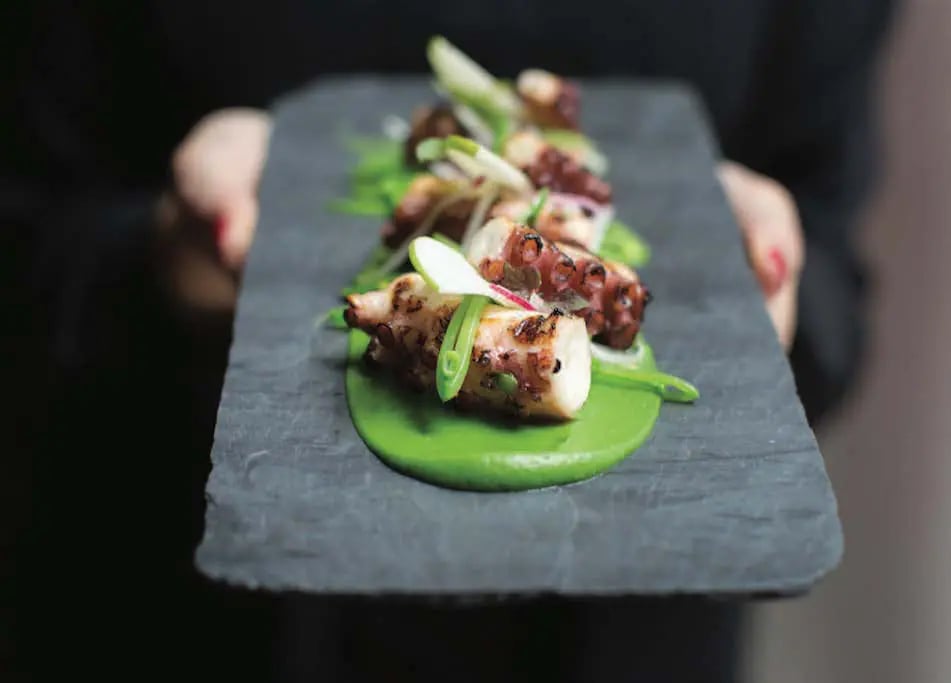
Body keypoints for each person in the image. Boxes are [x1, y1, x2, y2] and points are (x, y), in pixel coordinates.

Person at [1, 1, 896, 680]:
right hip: (172, 615)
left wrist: (774, 286)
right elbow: (31, 233)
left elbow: (833, 282)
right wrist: (155, 258)